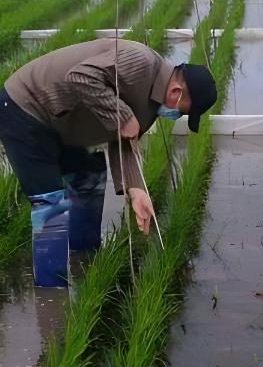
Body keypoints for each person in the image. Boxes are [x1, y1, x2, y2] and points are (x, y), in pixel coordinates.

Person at [0, 39, 217, 287]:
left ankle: (85, 259)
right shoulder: (140, 63)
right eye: (185, 112)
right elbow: (80, 77)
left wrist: (136, 190)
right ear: (176, 93)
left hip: (62, 123)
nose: (178, 116)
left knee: (90, 177)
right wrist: (122, 116)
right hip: (26, 108)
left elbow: (124, 140)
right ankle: (53, 294)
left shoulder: (152, 106)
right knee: (51, 206)